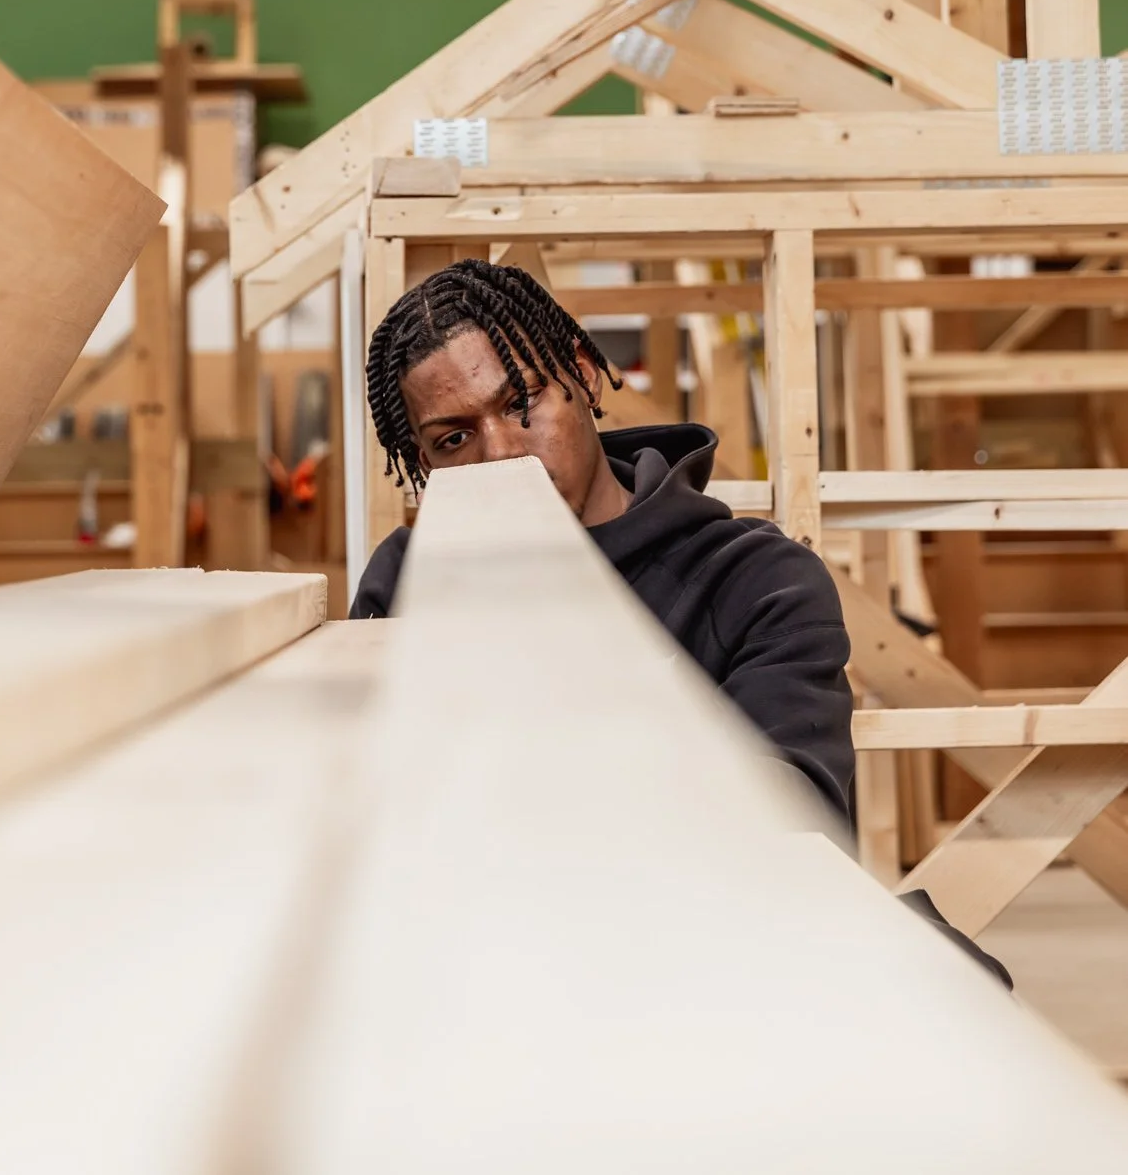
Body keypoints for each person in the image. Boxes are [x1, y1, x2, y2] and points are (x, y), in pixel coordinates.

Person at [352, 258, 1012, 986]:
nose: (501, 452)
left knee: (960, 987)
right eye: (454, 439)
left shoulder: (755, 581)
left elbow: (794, 821)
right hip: (511, 969)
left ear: (583, 374)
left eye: (522, 403)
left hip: (724, 966)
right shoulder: (411, 582)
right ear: (426, 462)